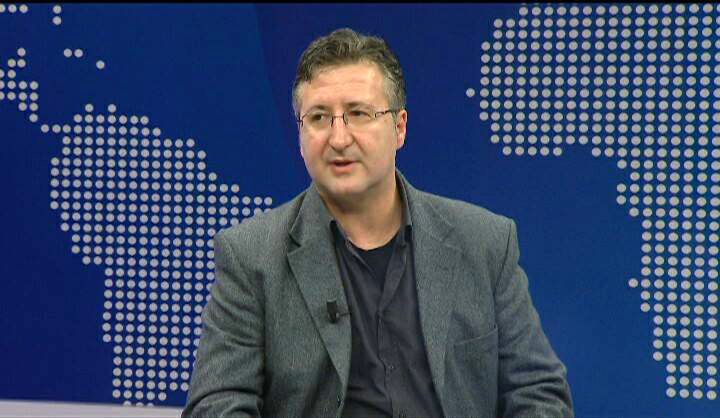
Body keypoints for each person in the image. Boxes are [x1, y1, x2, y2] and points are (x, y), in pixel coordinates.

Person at [183, 28, 573, 417]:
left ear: (399, 127)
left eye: (358, 114)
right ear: (301, 135)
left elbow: (538, 393)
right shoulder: (252, 257)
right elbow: (216, 405)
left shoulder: (484, 242)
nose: (339, 138)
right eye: (319, 117)